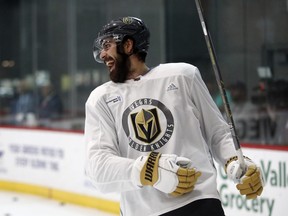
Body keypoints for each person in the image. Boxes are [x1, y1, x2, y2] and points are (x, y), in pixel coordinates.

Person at [84, 16, 264, 216]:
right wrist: (149, 169)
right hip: (143, 211)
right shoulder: (100, 99)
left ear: (128, 45)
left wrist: (236, 162)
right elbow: (97, 167)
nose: (102, 54)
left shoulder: (183, 76)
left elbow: (218, 133)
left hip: (199, 203)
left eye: (107, 45)